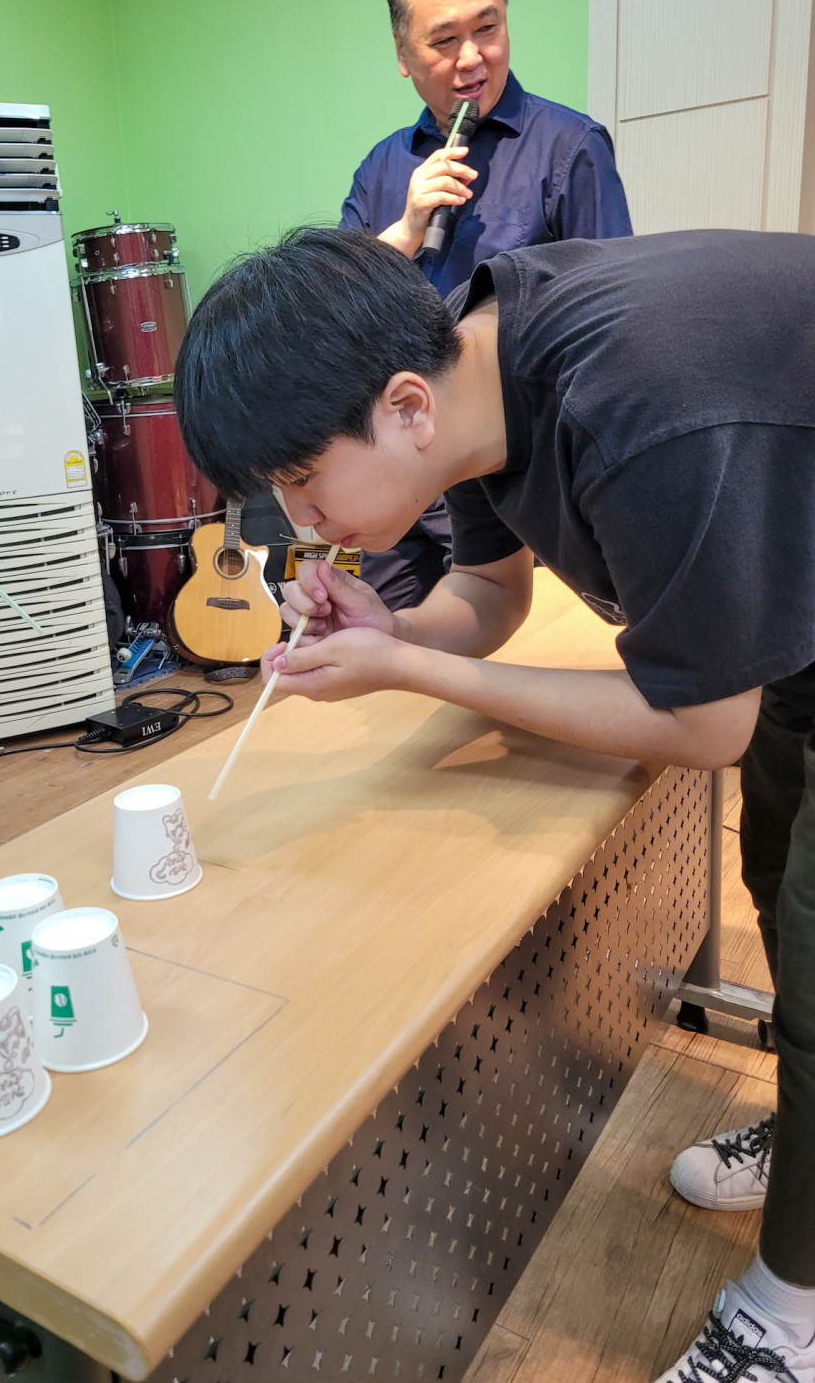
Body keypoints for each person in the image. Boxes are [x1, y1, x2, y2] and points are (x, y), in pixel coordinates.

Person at [174, 225, 815, 1383]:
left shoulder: (626, 404)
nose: (301, 521)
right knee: (772, 867)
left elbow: (703, 727)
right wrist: (393, 631)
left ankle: (787, 1316)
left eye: (302, 479)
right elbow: (485, 591)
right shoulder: (479, 369)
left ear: (404, 406)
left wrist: (412, 672)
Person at [341, 0, 631, 611]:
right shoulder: (381, 169)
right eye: (444, 40)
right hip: (399, 481)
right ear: (403, 53)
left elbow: (616, 332)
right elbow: (334, 320)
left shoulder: (570, 148)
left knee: (514, 651)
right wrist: (405, 231)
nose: (472, 58)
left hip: (520, 488)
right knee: (387, 645)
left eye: (488, 28)